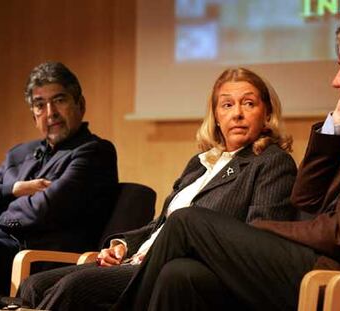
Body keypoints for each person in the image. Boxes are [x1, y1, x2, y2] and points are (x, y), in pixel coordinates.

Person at [108, 11, 340, 311]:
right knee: (180, 275)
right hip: (331, 266)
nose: (335, 82)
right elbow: (306, 198)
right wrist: (339, 123)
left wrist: (265, 229)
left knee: (187, 221)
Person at [19, 67, 298, 310]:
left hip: (176, 270)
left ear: (267, 112)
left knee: (75, 288)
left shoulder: (272, 162)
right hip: (138, 259)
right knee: (35, 284)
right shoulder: (200, 163)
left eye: (248, 103)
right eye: (226, 105)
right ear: (215, 115)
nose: (237, 113)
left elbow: (255, 242)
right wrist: (123, 245)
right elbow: (161, 225)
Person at [0, 62, 118, 296]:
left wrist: (1, 211)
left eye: (60, 100)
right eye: (40, 105)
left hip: (40, 258)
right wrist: (14, 189)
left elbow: (46, 209)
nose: (50, 112)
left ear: (80, 105)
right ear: (34, 115)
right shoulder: (18, 154)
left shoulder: (95, 152)